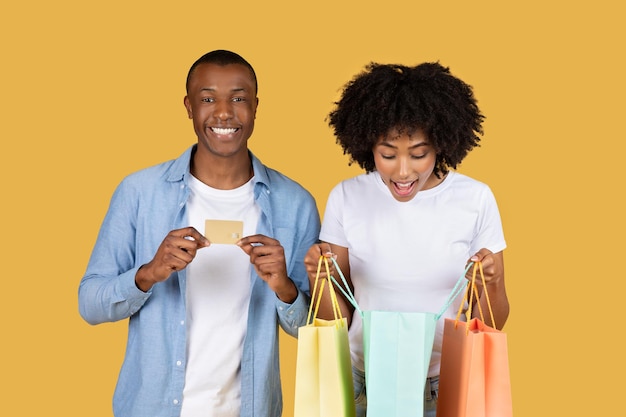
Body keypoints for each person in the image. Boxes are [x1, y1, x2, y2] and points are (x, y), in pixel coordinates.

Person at [79, 50, 321, 417]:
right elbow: (90, 304)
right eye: (208, 99)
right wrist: (148, 274)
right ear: (189, 107)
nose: (224, 113)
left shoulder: (295, 203)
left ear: (255, 107)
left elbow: (314, 331)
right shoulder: (139, 192)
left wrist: (284, 287)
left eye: (238, 99)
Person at [304, 61, 509, 417]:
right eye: (387, 154)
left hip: (442, 382)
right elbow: (336, 317)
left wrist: (490, 281)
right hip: (360, 380)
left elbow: (495, 319)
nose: (402, 171)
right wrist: (318, 278)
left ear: (442, 146)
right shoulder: (346, 197)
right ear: (367, 145)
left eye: (419, 154)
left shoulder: (475, 199)